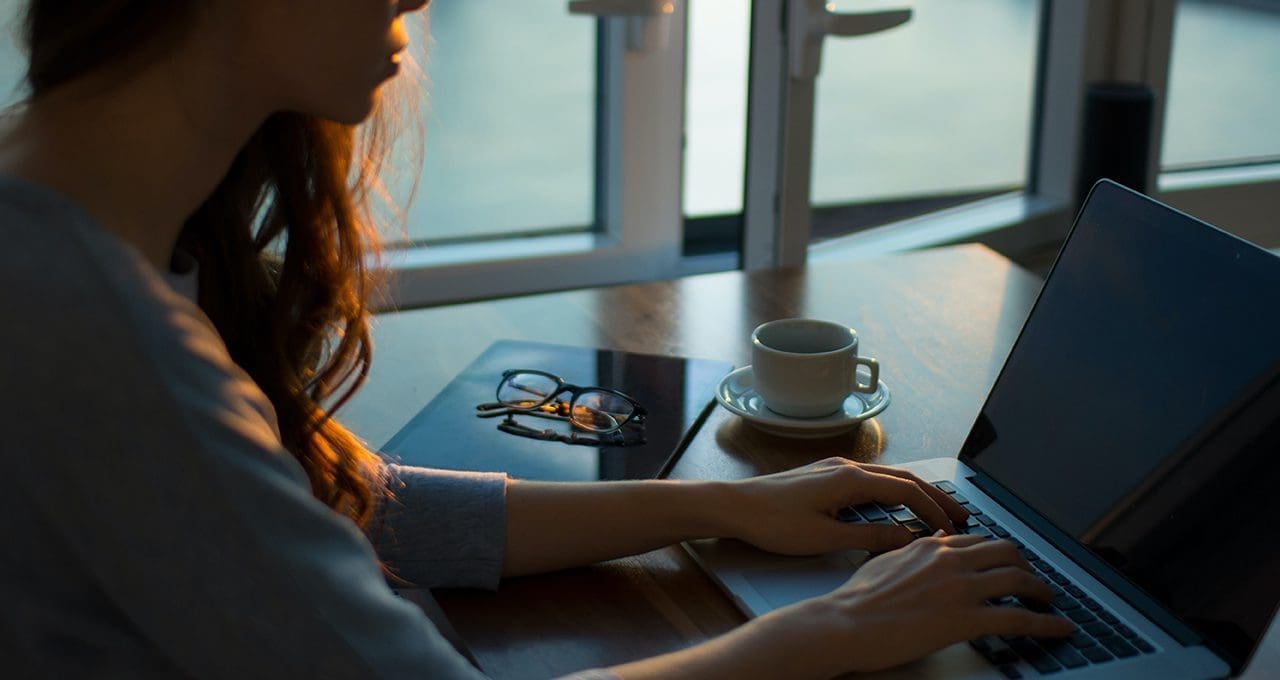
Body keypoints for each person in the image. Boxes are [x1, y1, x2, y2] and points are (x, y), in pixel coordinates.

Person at [0, 1, 1074, 677]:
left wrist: (719, 504)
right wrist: (828, 633)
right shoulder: (100, 340)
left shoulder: (68, 229)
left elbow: (315, 505)